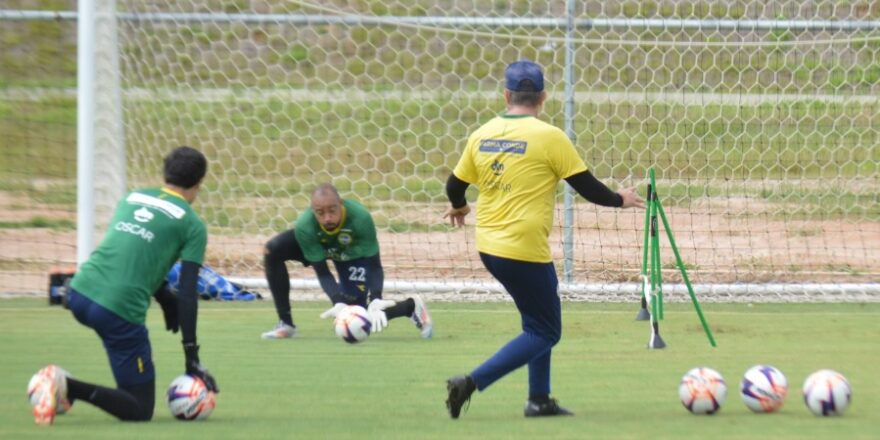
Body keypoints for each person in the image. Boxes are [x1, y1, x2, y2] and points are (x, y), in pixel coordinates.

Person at [442, 60, 644, 419]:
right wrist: (620, 199)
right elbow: (587, 187)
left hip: (489, 245)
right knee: (546, 331)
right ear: (544, 98)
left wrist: (459, 207)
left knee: (536, 322)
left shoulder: (482, 133)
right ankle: (470, 382)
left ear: (506, 95)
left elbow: (454, 185)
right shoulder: (550, 136)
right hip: (522, 250)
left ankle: (539, 400)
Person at [27, 146, 218, 425]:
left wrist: (164, 295)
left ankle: (58, 392)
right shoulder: (192, 224)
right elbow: (189, 293)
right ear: (199, 183)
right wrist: (192, 356)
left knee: (128, 376)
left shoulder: (133, 197)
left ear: (165, 173)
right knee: (139, 408)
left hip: (78, 293)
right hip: (117, 311)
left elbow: (134, 252)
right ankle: (64, 385)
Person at [260, 183, 432, 339]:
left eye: (332, 211)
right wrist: (337, 301)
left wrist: (376, 298)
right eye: (320, 213)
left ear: (341, 204)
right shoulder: (305, 226)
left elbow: (374, 265)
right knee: (272, 250)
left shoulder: (360, 218)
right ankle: (286, 323)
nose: (327, 218)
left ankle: (410, 307)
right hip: (319, 245)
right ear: (313, 211)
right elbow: (323, 272)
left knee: (358, 319)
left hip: (350, 253)